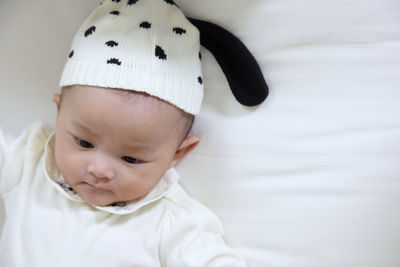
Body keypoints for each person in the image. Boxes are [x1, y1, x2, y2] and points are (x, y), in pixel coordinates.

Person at [0, 0, 249, 266]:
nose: (99, 169)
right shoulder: (30, 161)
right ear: (59, 113)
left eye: (131, 159)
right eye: (84, 142)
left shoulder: (173, 223)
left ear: (178, 153)